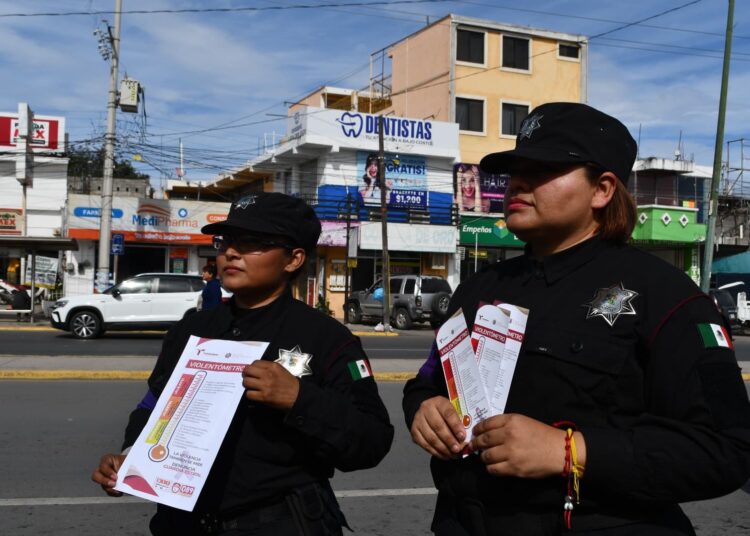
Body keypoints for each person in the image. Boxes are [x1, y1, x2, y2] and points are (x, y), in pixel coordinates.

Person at [403, 102, 750, 535]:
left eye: (543, 169)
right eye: (514, 169)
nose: (518, 182)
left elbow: (727, 450)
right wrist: (424, 408)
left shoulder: (667, 296)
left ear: (602, 190)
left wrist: (570, 451)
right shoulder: (478, 288)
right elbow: (429, 379)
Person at [93, 192, 394, 535]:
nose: (230, 253)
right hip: (184, 522)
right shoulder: (191, 329)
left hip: (280, 522)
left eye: (252, 242)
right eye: (225, 241)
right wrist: (130, 456)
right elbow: (152, 406)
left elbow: (372, 441)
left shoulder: (327, 338)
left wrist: (299, 398)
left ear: (293, 259)